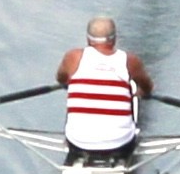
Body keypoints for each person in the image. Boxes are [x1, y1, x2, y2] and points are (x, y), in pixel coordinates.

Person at [61, 14, 148, 161]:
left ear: (88, 39)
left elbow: (62, 79)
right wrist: (141, 92)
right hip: (120, 145)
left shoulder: (73, 57)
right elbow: (147, 86)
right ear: (114, 39)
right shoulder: (130, 60)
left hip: (78, 144)